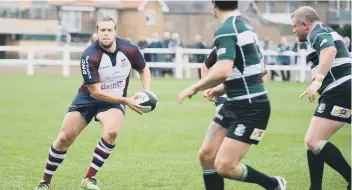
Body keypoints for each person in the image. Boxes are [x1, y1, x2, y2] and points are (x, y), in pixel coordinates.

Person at [34, 16, 152, 190]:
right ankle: (45, 182)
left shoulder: (129, 48)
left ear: (115, 31)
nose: (106, 33)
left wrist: (146, 91)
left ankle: (88, 179)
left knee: (111, 132)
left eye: (109, 30)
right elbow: (95, 92)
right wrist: (126, 100)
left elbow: (143, 69)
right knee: (65, 138)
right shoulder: (89, 55)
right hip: (87, 99)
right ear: (97, 32)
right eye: (102, 30)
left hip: (113, 101)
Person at [178, 1, 286, 190]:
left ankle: (274, 184)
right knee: (207, 155)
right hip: (235, 103)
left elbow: (223, 70)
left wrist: (195, 87)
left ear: (213, 4)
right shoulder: (244, 26)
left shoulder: (227, 29)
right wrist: (220, 89)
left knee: (225, 166)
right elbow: (256, 71)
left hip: (251, 108)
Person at [291, 6, 351, 190]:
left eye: (294, 26)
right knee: (314, 141)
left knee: (313, 139)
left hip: (340, 88)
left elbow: (330, 50)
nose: (293, 30)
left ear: (305, 24)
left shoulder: (317, 32)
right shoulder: (322, 32)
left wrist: (317, 81)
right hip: (340, 89)